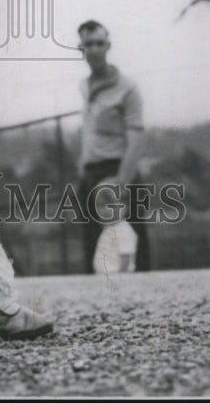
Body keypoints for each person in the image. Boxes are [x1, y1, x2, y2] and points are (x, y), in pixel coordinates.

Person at [75, 20, 151, 273]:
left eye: (99, 43)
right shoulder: (84, 86)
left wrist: (122, 181)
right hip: (90, 172)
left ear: (108, 46)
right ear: (81, 48)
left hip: (119, 170)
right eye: (88, 44)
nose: (94, 49)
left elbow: (137, 137)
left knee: (137, 242)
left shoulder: (127, 87)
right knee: (89, 242)